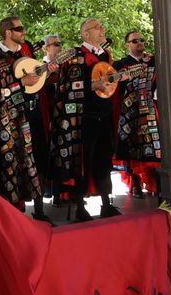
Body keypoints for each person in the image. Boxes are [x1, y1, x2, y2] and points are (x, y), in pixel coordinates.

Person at [50, 18, 120, 220]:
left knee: (104, 159)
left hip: (103, 114)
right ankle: (80, 207)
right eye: (98, 27)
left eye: (102, 26)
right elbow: (67, 87)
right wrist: (93, 86)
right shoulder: (75, 55)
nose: (102, 29)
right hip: (82, 118)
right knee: (82, 161)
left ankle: (107, 204)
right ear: (86, 34)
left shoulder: (106, 55)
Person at [0, 16, 51, 221]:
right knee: (10, 164)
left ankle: (40, 211)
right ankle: (13, 217)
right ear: (8, 32)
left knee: (39, 160)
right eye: (20, 29)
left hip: (33, 114)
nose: (24, 32)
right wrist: (21, 82)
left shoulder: (26, 52)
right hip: (10, 122)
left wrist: (48, 72)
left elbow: (36, 81)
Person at [114, 30, 160, 198]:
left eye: (141, 40)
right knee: (130, 146)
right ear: (127, 44)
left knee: (153, 146)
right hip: (129, 111)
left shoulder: (154, 61)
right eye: (135, 41)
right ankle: (135, 184)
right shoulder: (120, 64)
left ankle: (156, 185)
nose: (140, 42)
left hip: (150, 109)